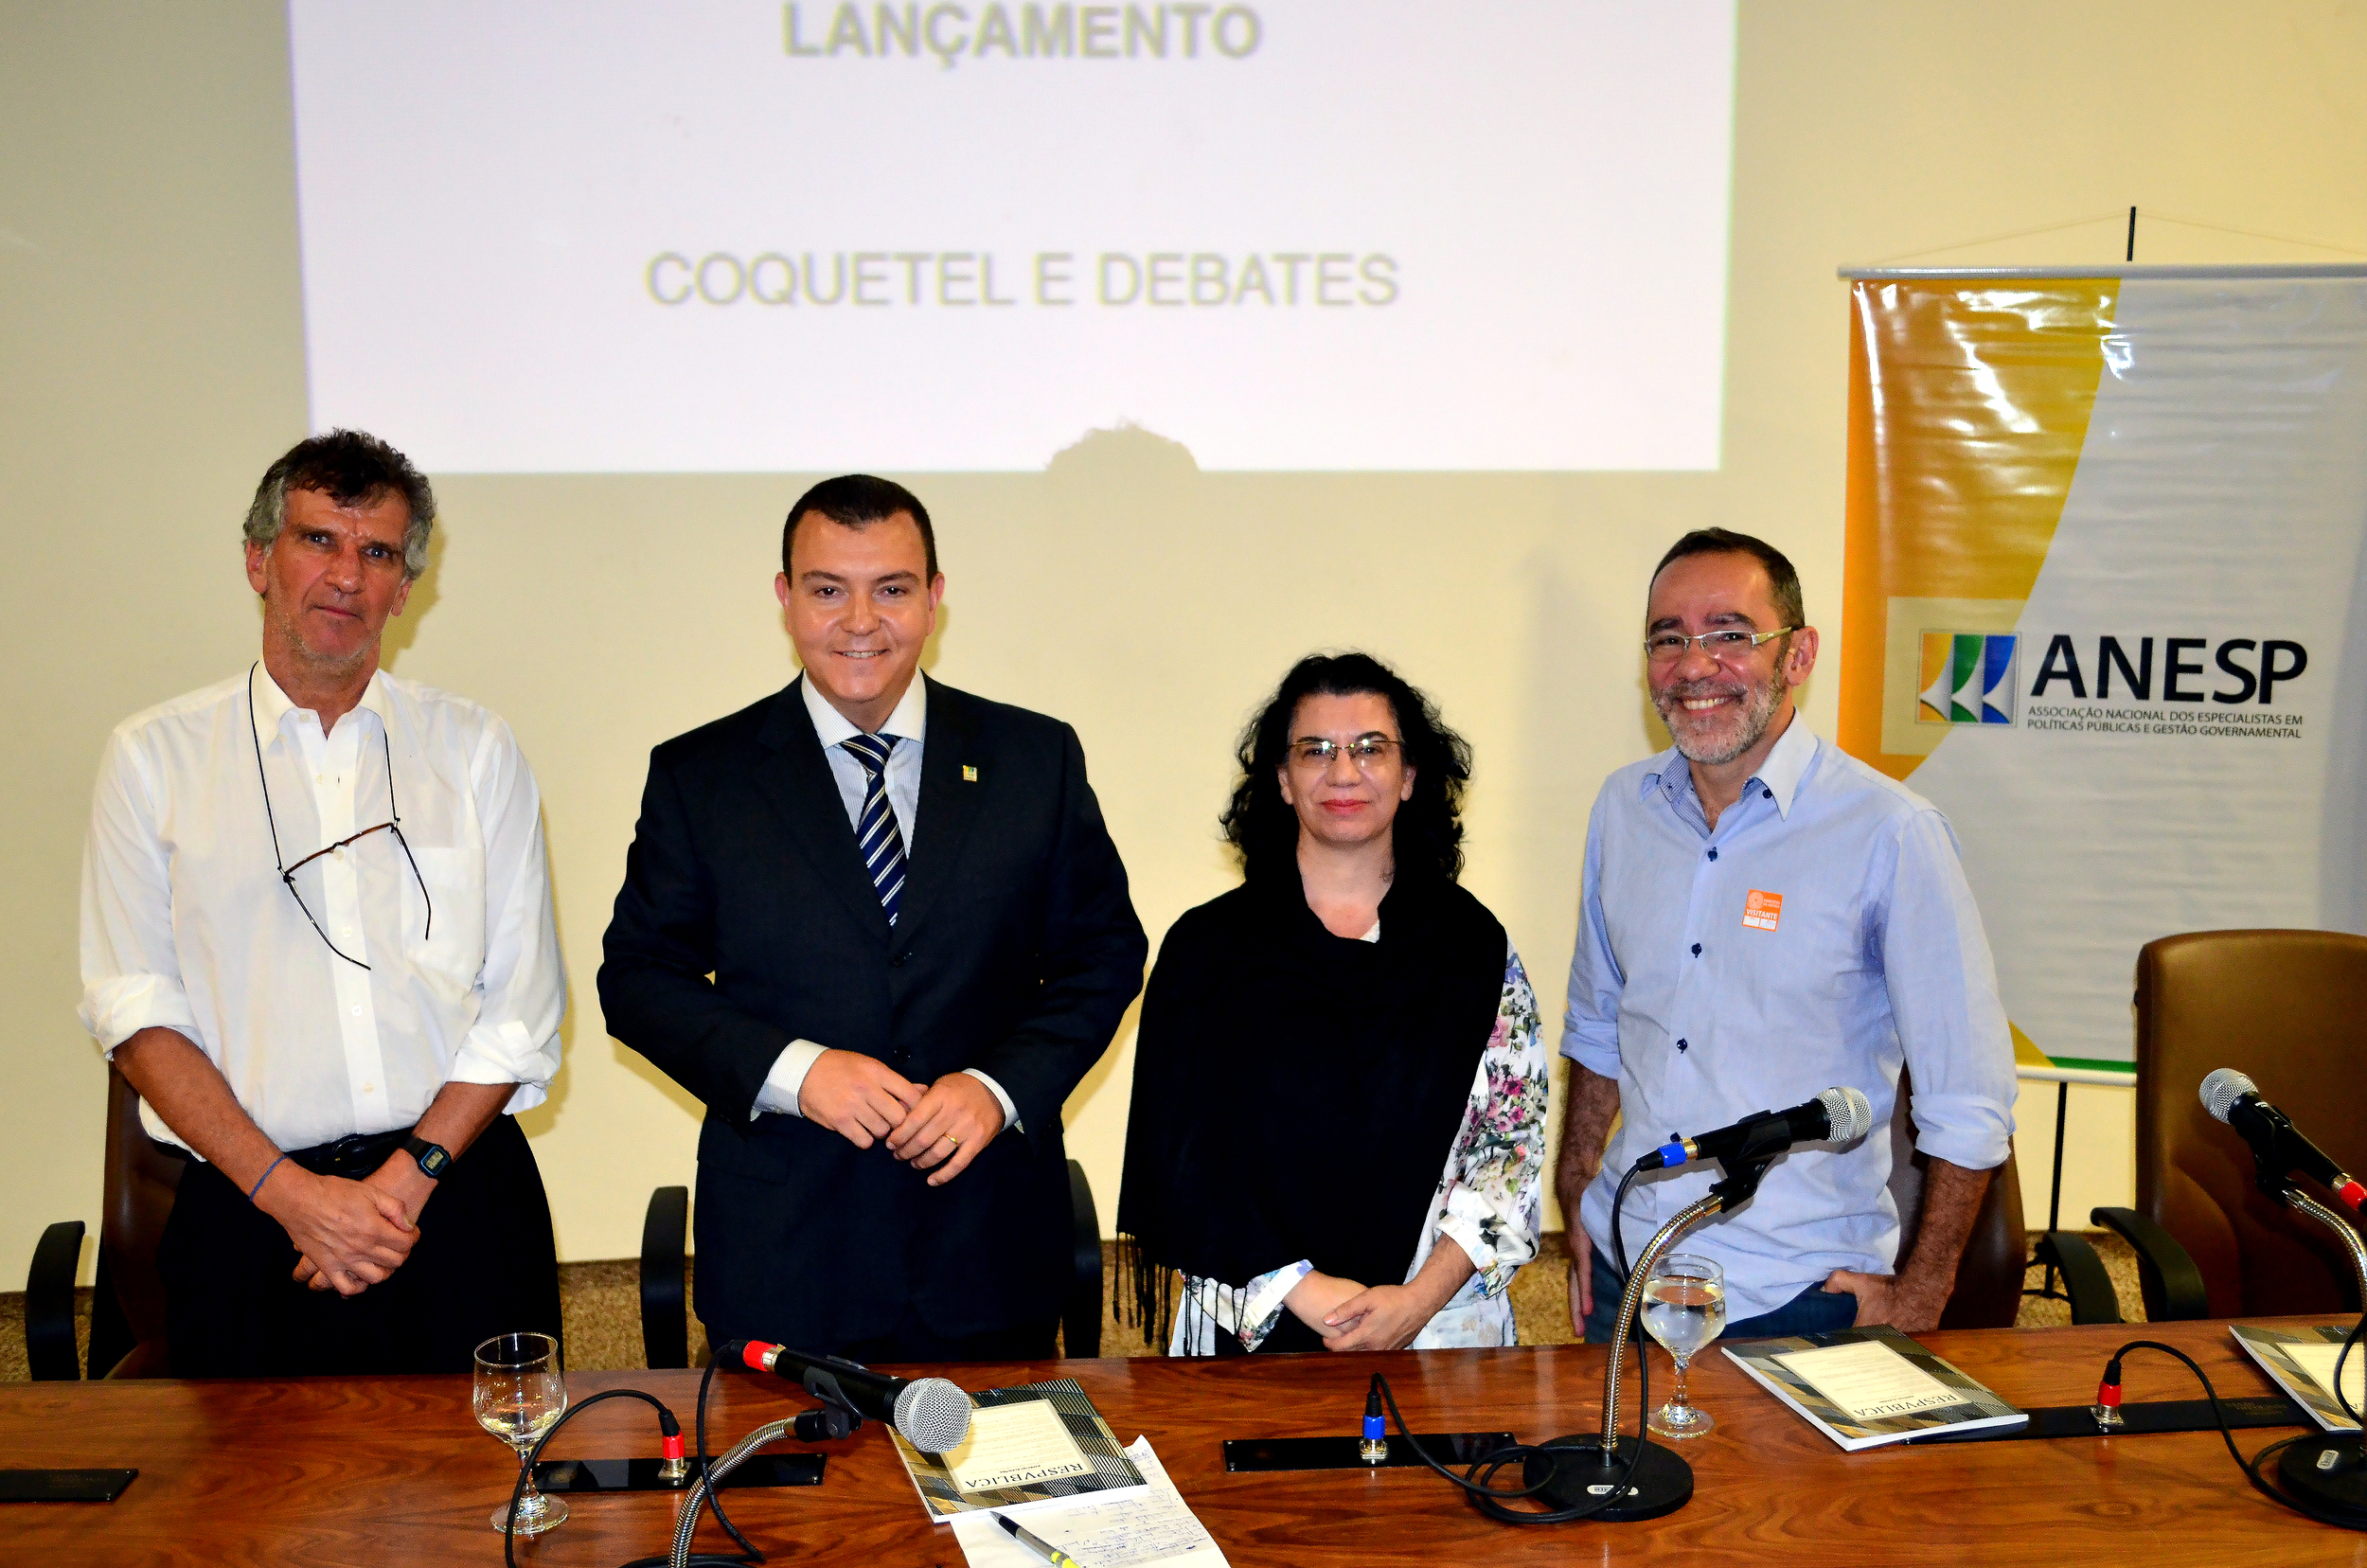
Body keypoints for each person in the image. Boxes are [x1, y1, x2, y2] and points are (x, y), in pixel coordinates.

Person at [599, 474, 1147, 1363]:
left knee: (1000, 1501)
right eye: (828, 590)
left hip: (990, 1251)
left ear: (934, 599)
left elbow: (1105, 953)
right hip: (788, 1261)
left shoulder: (1032, 758)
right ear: (785, 600)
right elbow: (638, 982)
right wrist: (796, 1072)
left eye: (891, 589)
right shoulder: (702, 777)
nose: (861, 621)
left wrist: (999, 1089)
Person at [78, 430, 566, 1377]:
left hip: (453, 1203)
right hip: (251, 1213)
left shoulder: (475, 750)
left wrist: (402, 1181)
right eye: (317, 541)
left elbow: (518, 1010)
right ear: (260, 561)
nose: (347, 576)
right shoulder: (154, 758)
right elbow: (134, 1012)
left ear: (406, 587)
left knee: (493, 1505)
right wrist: (293, 1195)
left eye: (377, 552)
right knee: (250, 1517)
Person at [1557, 528, 2014, 1343]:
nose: (1695, 666)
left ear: (1798, 655)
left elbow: (1968, 1101)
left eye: (1730, 635)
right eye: (1669, 639)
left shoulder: (1890, 834)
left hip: (1793, 1291)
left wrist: (1921, 1294)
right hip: (1626, 1266)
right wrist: (1574, 1190)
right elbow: (1599, 1025)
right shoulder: (1621, 810)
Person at [1118, 652, 1547, 1355]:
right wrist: (1298, 1289)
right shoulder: (1208, 951)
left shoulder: (1473, 946)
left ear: (1410, 776)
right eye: (1315, 750)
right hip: (1247, 1328)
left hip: (1437, 1329)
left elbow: (1510, 1146)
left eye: (1371, 748)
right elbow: (1181, 1156)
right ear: (1282, 781)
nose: (1343, 771)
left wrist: (1415, 1301)